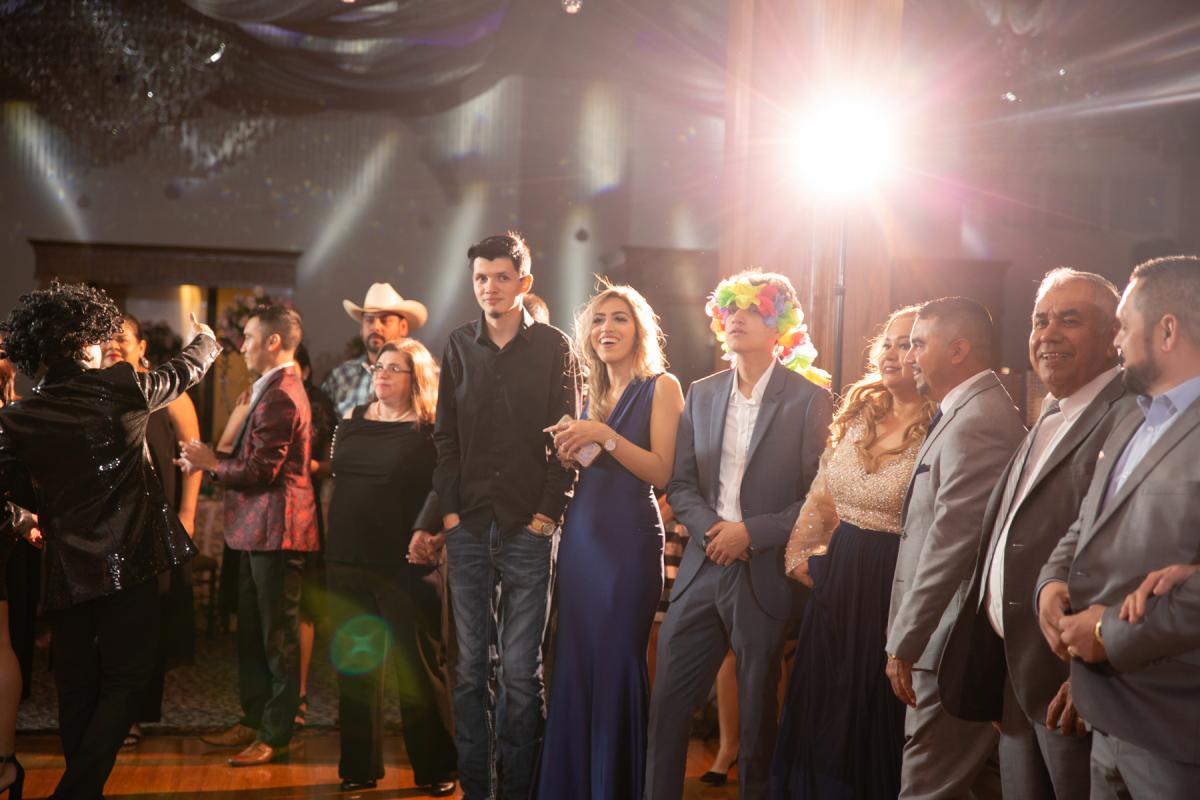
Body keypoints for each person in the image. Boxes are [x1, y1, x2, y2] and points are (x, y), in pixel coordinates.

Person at [0, 281, 219, 800]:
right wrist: (207, 338)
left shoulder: (18, 417)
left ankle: (81, 791)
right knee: (127, 679)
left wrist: (21, 520)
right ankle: (77, 792)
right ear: (84, 343)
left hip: (65, 568)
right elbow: (185, 370)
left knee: (76, 686)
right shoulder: (120, 387)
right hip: (132, 563)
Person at [937, 270, 1133, 800]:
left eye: (1069, 320)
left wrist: (1092, 671)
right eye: (1040, 320)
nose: (1048, 334)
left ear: (1113, 336)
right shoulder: (1049, 412)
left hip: (1074, 681)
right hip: (1017, 671)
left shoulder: (1128, 415)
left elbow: (1132, 552)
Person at [645, 271, 833, 800]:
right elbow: (682, 484)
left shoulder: (809, 399)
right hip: (703, 565)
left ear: (778, 325)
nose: (737, 319)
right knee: (666, 709)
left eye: (752, 310)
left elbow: (818, 496)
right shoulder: (701, 393)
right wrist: (714, 531)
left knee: (756, 719)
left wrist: (750, 532)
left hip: (763, 571)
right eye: (730, 310)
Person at [410, 231, 578, 800]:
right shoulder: (459, 344)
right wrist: (451, 517)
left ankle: (519, 792)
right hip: (470, 525)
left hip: (529, 526)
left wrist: (546, 517)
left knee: (521, 676)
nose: (490, 287)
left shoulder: (555, 346)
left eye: (502, 277)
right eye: (481, 278)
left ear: (524, 282)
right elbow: (446, 439)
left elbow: (566, 442)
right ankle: (476, 789)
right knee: (468, 672)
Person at [1037, 256, 1200, 797]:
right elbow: (1088, 520)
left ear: (1168, 331)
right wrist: (1051, 582)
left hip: (1175, 724)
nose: (1116, 342)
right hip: (1105, 715)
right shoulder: (1131, 414)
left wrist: (1110, 632)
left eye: (1124, 326)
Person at [768, 305, 934, 798]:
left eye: (908, 343)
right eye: (888, 342)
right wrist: (802, 552)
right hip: (838, 575)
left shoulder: (940, 424)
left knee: (874, 711)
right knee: (825, 710)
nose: (893, 353)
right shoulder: (863, 412)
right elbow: (823, 489)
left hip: (893, 580)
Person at [534, 284, 685, 799]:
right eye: (598, 320)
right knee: (574, 661)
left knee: (618, 660)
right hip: (581, 539)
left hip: (630, 540)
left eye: (619, 318)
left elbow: (661, 471)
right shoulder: (587, 395)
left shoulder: (661, 386)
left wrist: (604, 435)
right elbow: (591, 466)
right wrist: (570, 449)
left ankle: (613, 786)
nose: (607, 329)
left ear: (638, 330)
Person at [884, 296, 1025, 800]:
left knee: (925, 789)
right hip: (942, 639)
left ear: (958, 350)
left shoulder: (978, 418)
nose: (909, 358)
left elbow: (951, 543)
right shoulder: (965, 409)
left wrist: (906, 639)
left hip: (947, 641)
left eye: (918, 344)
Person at [182, 305, 319, 767]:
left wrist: (211, 465)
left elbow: (261, 471)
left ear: (273, 342)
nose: (242, 346)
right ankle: (253, 718)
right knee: (253, 636)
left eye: (249, 337)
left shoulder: (282, 393)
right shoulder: (270, 387)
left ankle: (276, 734)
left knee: (278, 640)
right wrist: (208, 459)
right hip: (257, 531)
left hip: (278, 531)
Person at [326, 340, 457, 796]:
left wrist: (435, 535)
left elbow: (447, 488)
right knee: (355, 668)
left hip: (405, 562)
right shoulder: (352, 419)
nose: (380, 374)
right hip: (347, 557)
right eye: (378, 367)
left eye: (393, 369)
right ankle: (358, 768)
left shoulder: (430, 430)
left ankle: (437, 767)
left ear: (415, 377)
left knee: (418, 669)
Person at [102, 312, 203, 747]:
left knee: (145, 623)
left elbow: (194, 454)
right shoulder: (92, 391)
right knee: (107, 624)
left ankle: (132, 717)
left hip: (154, 527)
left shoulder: (167, 391)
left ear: (142, 347)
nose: (113, 344)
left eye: (121, 337)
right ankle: (104, 712)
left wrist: (188, 513)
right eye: (105, 338)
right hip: (104, 529)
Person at [292, 343, 336, 731]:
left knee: (303, 606)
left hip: (306, 511)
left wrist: (305, 465)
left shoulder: (318, 404)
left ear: (305, 371)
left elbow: (332, 464)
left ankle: (299, 694)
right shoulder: (255, 394)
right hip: (261, 514)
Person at [322, 283, 428, 416]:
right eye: (369, 320)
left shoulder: (420, 375)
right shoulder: (340, 377)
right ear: (361, 329)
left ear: (403, 327)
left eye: (385, 320)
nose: (376, 327)